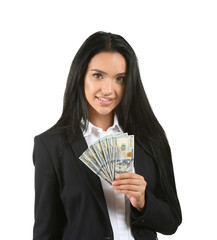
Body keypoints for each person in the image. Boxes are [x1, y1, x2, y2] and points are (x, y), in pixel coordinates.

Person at [33, 31, 182, 240]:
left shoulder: (151, 138)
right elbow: (45, 232)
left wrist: (143, 201)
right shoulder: (51, 146)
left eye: (120, 79)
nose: (108, 90)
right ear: (80, 76)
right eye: (98, 75)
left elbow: (172, 221)